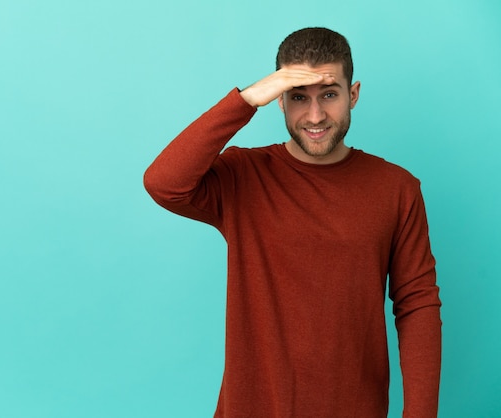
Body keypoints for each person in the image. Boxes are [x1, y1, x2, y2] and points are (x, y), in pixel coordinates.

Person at [143, 27, 441, 418]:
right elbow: (164, 184)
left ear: (353, 94)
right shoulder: (243, 176)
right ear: (279, 101)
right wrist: (246, 100)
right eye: (298, 97)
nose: (315, 116)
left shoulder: (396, 188)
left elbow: (417, 304)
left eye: (329, 95)